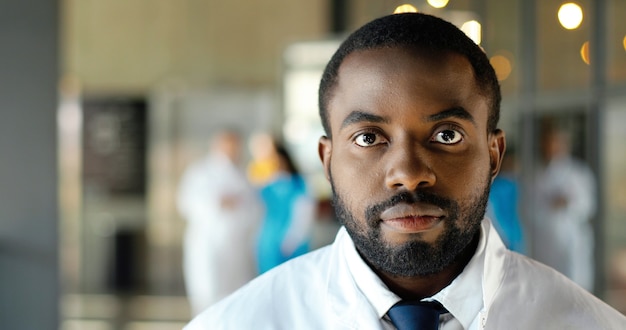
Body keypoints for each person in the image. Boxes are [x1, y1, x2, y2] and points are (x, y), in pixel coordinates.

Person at [185, 13, 626, 329]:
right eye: (368, 138)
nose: (408, 174)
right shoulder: (238, 323)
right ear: (327, 160)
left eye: (447, 135)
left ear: (493, 155)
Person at [177, 129, 262, 317]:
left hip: (236, 246)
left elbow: (256, 210)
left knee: (235, 297)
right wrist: (217, 203)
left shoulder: (243, 175)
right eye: (228, 144)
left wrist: (240, 206)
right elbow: (185, 203)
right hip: (207, 245)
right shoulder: (200, 172)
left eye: (235, 145)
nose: (232, 149)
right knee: (207, 295)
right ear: (217, 145)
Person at [531, 123, 597, 291]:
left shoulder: (578, 172)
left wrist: (568, 203)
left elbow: (588, 206)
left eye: (556, 142)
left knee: (575, 289)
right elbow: (531, 209)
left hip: (571, 240)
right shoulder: (538, 174)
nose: (552, 147)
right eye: (549, 142)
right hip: (546, 240)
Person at [256, 139, 316, 273]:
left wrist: (293, 239)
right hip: (268, 243)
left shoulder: (299, 184)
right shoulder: (266, 184)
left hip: (293, 242)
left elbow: (304, 215)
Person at [486, 148, 527, 254]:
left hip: (515, 234)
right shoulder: (496, 187)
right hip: (503, 234)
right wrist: (501, 235)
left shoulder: (517, 183)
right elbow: (491, 213)